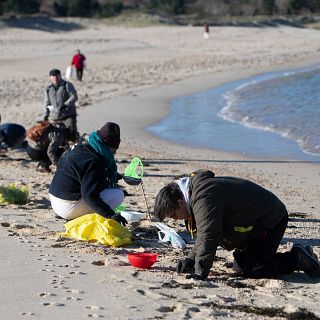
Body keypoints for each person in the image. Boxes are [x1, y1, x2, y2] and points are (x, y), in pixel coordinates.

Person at [154, 170, 320, 280]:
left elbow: (209, 234)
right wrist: (190, 260)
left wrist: (200, 272)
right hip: (254, 224)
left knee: (255, 270)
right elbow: (205, 233)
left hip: (271, 221)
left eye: (173, 215)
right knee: (240, 267)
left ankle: (296, 257)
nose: (175, 220)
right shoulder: (195, 193)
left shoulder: (203, 196)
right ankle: (259, 257)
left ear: (180, 202)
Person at [49, 122, 127, 226]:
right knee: (118, 195)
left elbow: (76, 171)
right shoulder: (95, 161)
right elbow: (89, 196)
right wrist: (111, 215)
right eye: (114, 149)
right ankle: (77, 217)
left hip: (55, 199)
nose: (114, 153)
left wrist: (117, 176)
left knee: (100, 190)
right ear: (108, 146)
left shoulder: (81, 147)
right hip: (67, 206)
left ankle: (75, 215)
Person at [43, 68, 79, 142]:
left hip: (68, 115)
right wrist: (45, 116)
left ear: (60, 76)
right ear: (50, 77)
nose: (55, 78)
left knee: (72, 134)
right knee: (59, 137)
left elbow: (74, 96)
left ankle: (77, 147)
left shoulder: (67, 85)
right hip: (56, 117)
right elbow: (46, 103)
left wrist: (65, 105)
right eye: (53, 76)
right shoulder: (48, 89)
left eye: (57, 76)